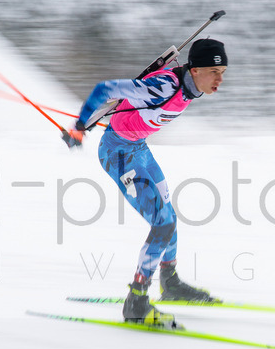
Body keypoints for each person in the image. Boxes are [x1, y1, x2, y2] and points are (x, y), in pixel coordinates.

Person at [62, 38, 228, 325]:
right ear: (197, 70)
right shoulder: (164, 86)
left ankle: (170, 283)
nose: (220, 79)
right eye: (215, 72)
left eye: (223, 72)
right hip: (118, 154)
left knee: (169, 216)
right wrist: (79, 126)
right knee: (162, 223)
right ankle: (136, 301)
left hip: (138, 149)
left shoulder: (188, 87)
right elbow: (105, 89)